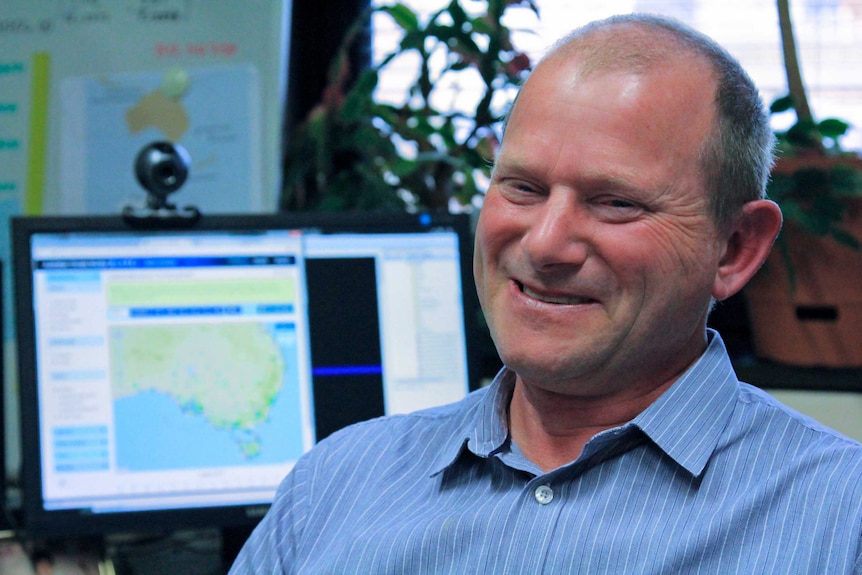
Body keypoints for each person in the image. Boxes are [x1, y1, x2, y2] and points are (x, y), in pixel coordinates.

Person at [229, 13, 862, 574]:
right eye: (522, 188)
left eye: (616, 202)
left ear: (735, 248)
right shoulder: (333, 488)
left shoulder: (840, 520)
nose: (543, 244)